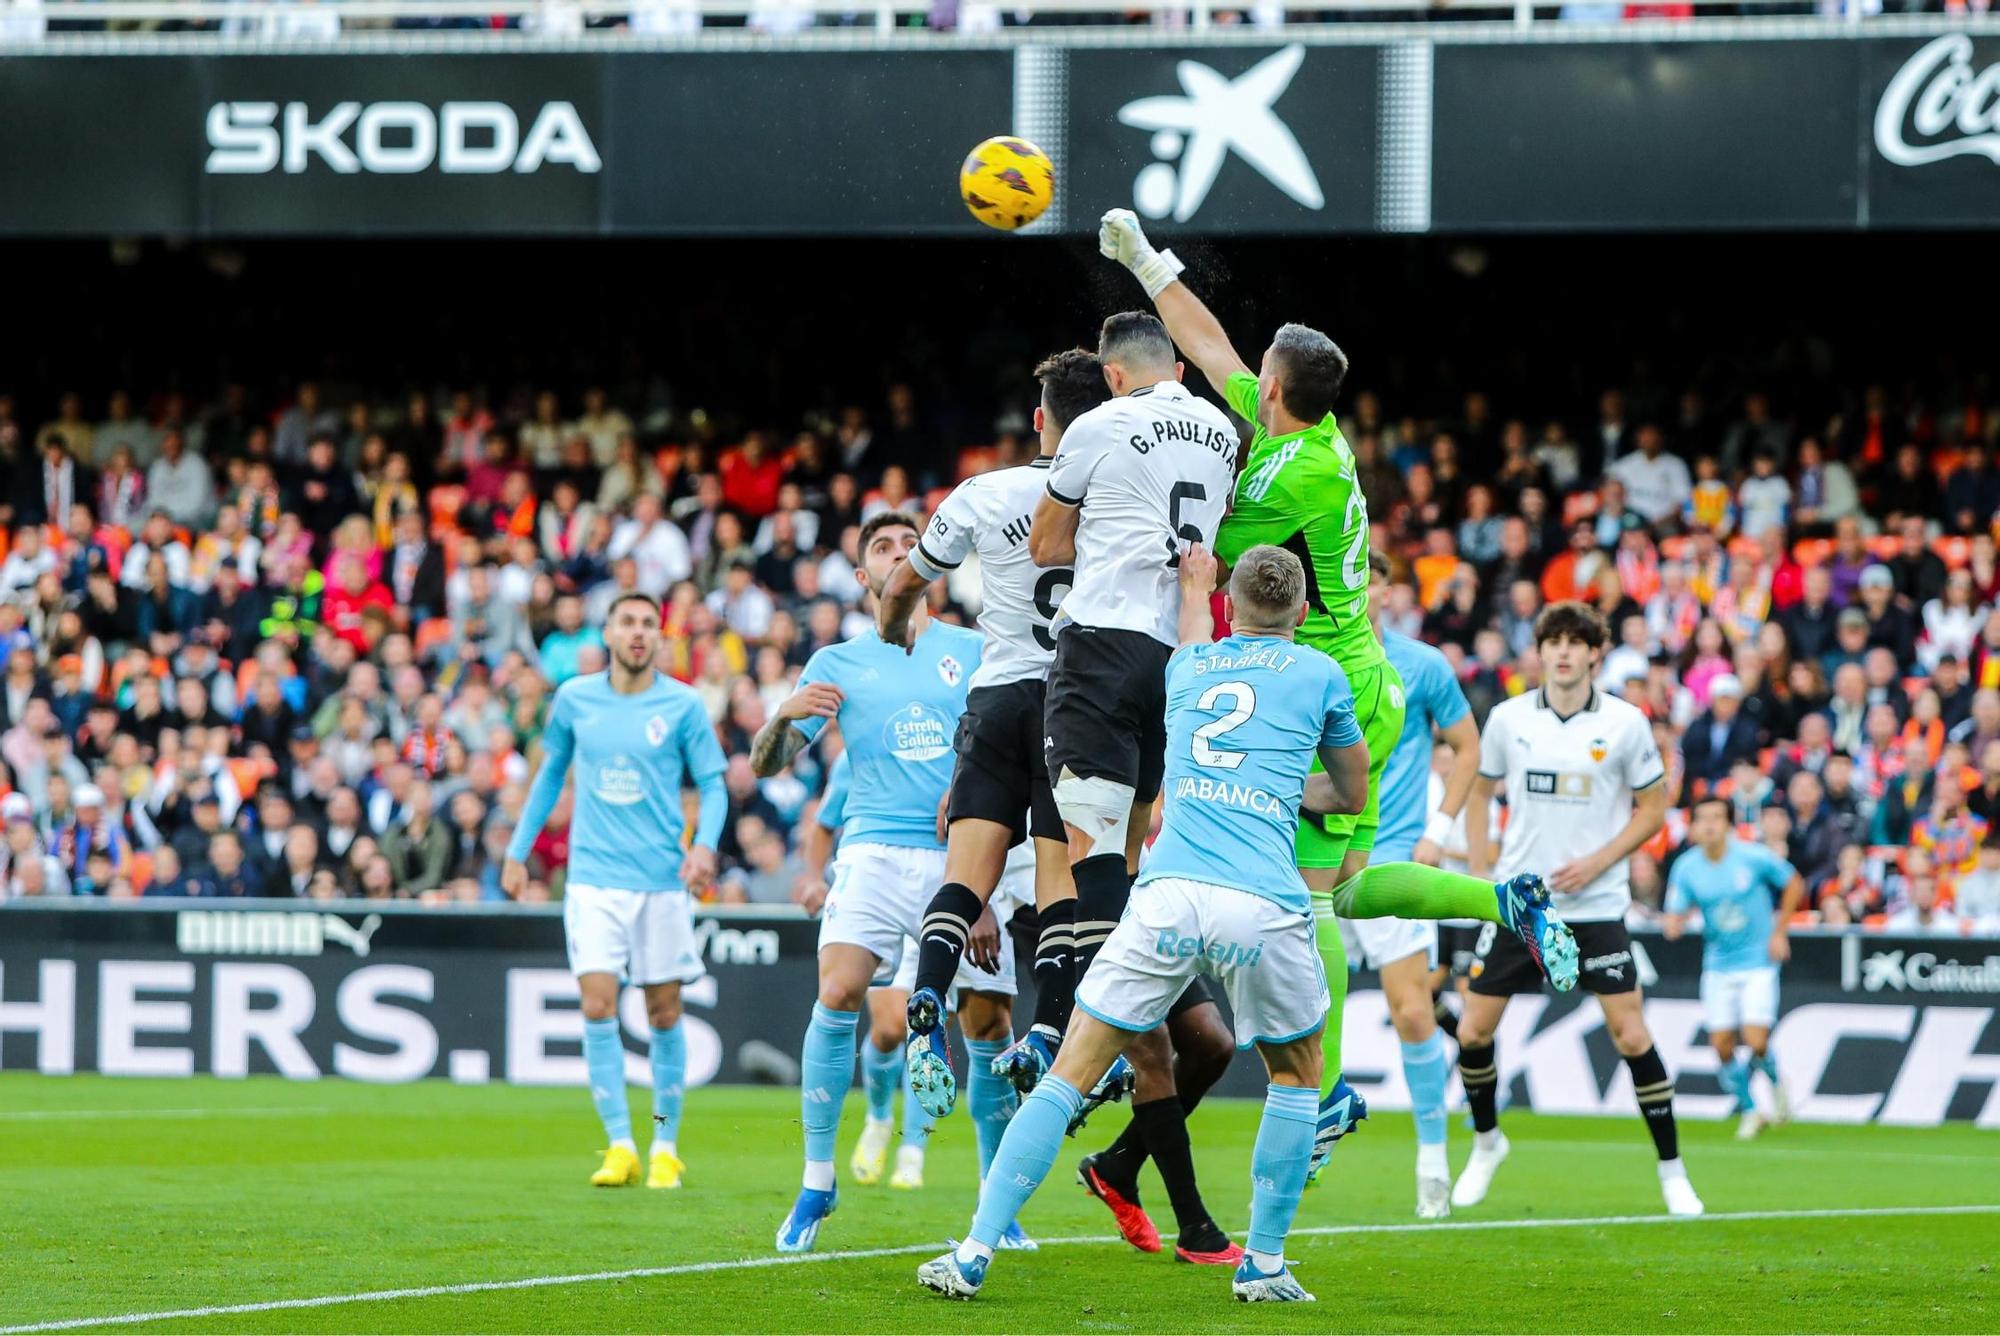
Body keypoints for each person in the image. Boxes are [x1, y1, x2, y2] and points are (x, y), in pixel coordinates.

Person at [1105, 206, 1571, 1177]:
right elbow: (1209, 340)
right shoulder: (1310, 438)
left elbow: (1205, 551)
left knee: (1310, 898)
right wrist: (1147, 264)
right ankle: (1500, 898)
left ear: (1268, 390)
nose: (1245, 377)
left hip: (1319, 687)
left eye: (1253, 377)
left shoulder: (1286, 478)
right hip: (1368, 675)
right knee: (1350, 886)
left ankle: (1315, 1096)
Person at [917, 544, 1366, 1305]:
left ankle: (970, 1253)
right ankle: (1263, 1265)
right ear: (1299, 611)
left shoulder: (1188, 668)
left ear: (1233, 605)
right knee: (1297, 1076)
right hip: (1261, 897)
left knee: (1072, 1073)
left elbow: (1192, 619)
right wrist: (1284, 788)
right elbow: (1348, 792)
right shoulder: (1323, 675)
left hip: (1170, 892)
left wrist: (1197, 580)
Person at [1015, 309, 1240, 1260]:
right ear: (1177, 366)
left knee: (1096, 859)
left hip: (1101, 654)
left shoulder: (1101, 427)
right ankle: (1167, 1203)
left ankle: (1073, 1025)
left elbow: (1045, 549)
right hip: (1182, 654)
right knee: (1204, 1037)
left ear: (1110, 380)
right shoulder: (1225, 429)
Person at [747, 510, 984, 1254]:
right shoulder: (837, 664)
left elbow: (1011, 743)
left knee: (988, 1021)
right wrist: (779, 717)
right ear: (863, 577)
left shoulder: (974, 652)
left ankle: (993, 1206)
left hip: (957, 856)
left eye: (913, 544)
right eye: (885, 547)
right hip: (875, 849)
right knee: (839, 993)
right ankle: (818, 1179)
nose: (902, 554)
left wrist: (976, 796)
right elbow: (767, 765)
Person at [1457, 600, 1703, 1217]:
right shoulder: (1509, 719)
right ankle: (1487, 1143)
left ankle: (1672, 1170)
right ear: (1539, 651)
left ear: (1596, 652)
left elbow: (1653, 809)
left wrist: (1598, 861)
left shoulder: (1626, 723)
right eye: (1553, 641)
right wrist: (1485, 874)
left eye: (1576, 642)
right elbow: (1481, 793)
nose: (1563, 652)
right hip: (1521, 905)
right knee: (1472, 1031)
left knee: (1631, 1032)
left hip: (1595, 906)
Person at [501, 591, 729, 1193]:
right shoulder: (574, 700)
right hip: (594, 881)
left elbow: (714, 783)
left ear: (660, 636)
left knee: (664, 1012)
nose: (637, 633)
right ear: (605, 633)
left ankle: (665, 1145)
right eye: (627, 622)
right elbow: (551, 774)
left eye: (648, 624)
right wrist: (517, 851)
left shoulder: (681, 704)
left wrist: (703, 846)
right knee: (598, 1003)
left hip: (660, 881)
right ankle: (620, 1145)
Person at [1344, 553, 1482, 1219]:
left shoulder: (1423, 665)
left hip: (1393, 854)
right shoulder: (1311, 654)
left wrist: (1439, 829)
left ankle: (1433, 1156)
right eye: (1352, 577)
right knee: (1299, 1013)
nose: (1362, 590)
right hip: (1314, 857)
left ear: (1388, 591)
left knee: (1411, 1010)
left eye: (1372, 580)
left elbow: (1469, 748)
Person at [1663, 797, 1804, 1141]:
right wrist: (1674, 923)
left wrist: (1780, 931)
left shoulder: (1752, 857)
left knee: (1756, 1040)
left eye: (1716, 818)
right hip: (1718, 964)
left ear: (1728, 824)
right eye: (1703, 819)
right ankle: (1751, 1110)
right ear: (1693, 827)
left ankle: (1774, 1080)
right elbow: (1674, 910)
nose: (1710, 825)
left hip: (1757, 960)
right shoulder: (1686, 867)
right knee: (1722, 1044)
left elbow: (1793, 883)